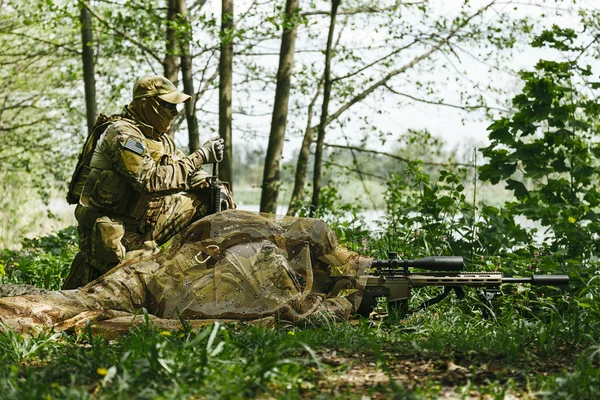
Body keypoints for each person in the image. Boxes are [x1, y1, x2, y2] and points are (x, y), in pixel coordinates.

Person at [0, 210, 371, 337]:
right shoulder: (273, 263)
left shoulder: (258, 245)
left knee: (67, 306)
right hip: (148, 284)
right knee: (63, 310)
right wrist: (347, 305)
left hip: (149, 280)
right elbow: (300, 316)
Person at [63, 75, 233, 289]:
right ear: (147, 104)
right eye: (168, 105)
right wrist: (199, 156)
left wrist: (205, 182)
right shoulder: (122, 134)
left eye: (176, 106)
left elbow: (185, 169)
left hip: (145, 222)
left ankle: (203, 276)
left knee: (211, 198)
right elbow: (150, 180)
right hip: (114, 230)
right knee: (130, 292)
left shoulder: (160, 139)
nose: (175, 112)